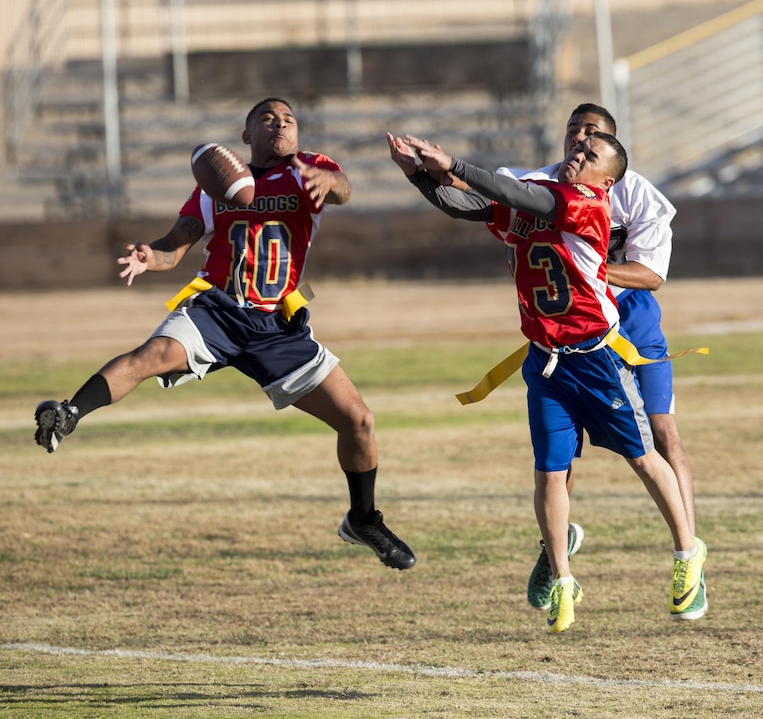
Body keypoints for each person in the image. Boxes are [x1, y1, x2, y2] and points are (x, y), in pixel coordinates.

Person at [33, 97, 416, 572]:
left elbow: (342, 190)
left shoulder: (309, 170)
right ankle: (68, 413)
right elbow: (174, 246)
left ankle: (363, 520)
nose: (281, 124)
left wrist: (330, 182)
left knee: (359, 421)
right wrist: (148, 256)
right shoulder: (214, 190)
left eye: (289, 119)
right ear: (245, 136)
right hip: (218, 308)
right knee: (150, 354)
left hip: (276, 324)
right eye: (268, 118)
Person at [387, 129, 706, 632]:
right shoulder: (543, 197)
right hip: (544, 361)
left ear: (609, 179)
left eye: (591, 155)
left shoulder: (586, 202)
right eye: (575, 149)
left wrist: (450, 161)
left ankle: (688, 551)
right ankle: (562, 579)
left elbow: (511, 192)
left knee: (643, 457)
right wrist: (415, 174)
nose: (577, 156)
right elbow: (465, 206)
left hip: (595, 360)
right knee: (549, 472)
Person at [515, 103, 697, 613]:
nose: (579, 142)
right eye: (573, 134)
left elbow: (651, 274)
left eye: (592, 137)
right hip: (564, 333)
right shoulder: (543, 183)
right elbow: (495, 195)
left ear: (612, 154)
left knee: (660, 435)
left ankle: (688, 553)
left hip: (627, 326)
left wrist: (591, 271)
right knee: (556, 461)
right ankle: (554, 553)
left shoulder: (637, 194)